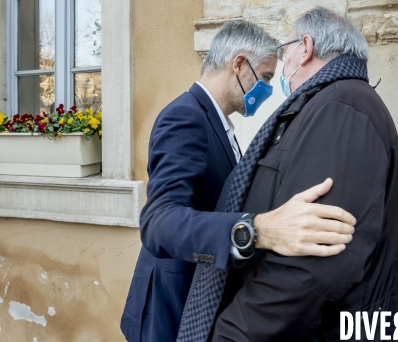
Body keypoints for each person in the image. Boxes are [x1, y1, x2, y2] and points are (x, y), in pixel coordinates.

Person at [176, 7, 398, 341]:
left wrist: (232, 333)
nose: (279, 73)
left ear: (305, 47)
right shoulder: (333, 102)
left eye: (285, 50)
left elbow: (316, 264)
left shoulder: (341, 107)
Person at [120, 20, 357, 341]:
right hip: (172, 303)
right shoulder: (185, 116)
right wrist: (257, 231)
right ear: (240, 64)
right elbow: (159, 223)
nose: (269, 89)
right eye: (266, 77)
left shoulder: (218, 123)